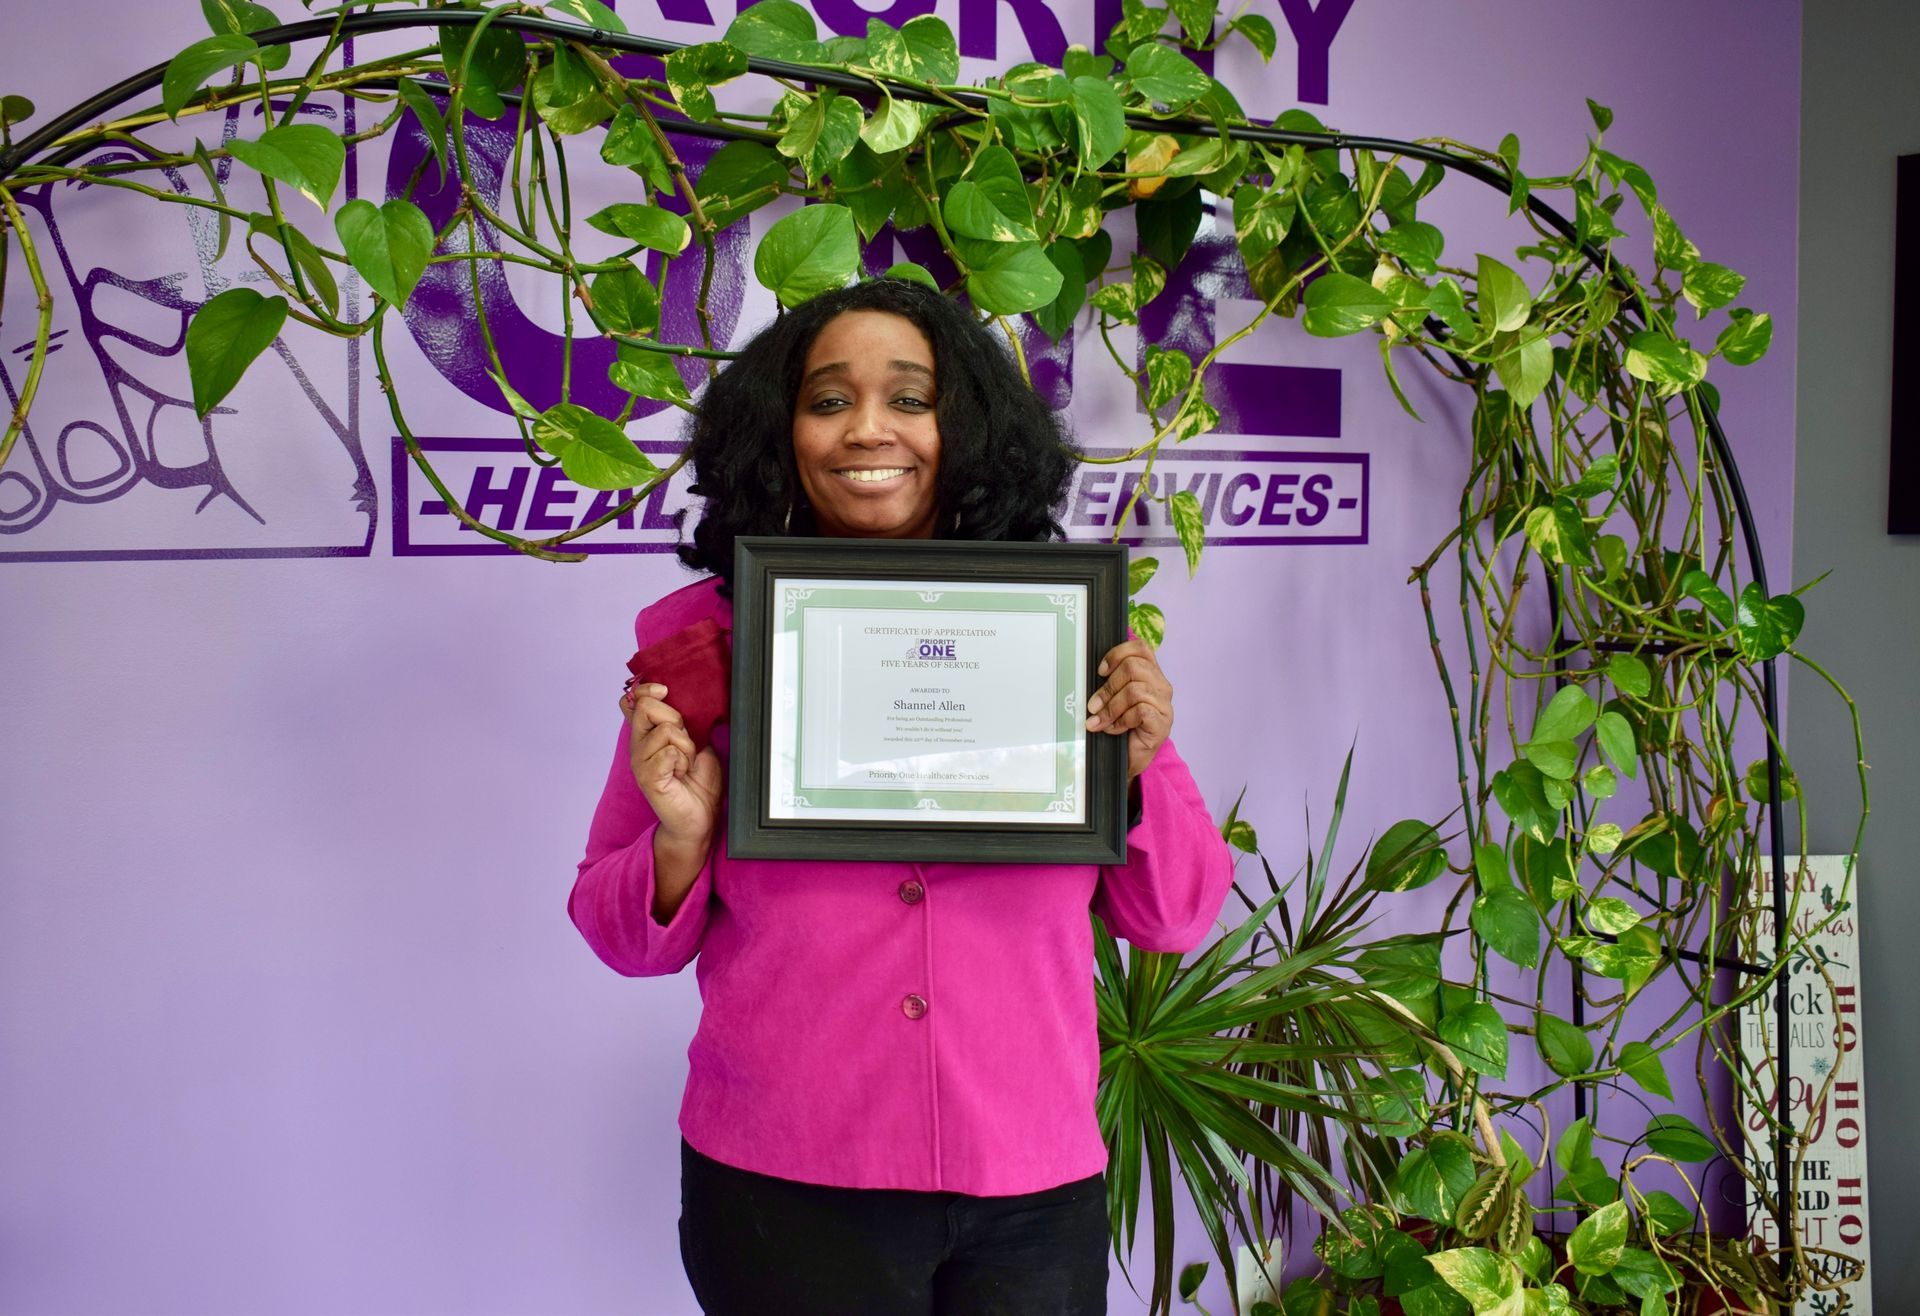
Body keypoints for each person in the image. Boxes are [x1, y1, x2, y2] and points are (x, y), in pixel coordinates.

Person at [568, 277, 1235, 1315]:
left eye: (909, 397)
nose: (867, 427)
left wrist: (1140, 764)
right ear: (780, 433)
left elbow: (1175, 913)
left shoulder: (1064, 629)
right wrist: (681, 839)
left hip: (1029, 1178)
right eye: (829, 399)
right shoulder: (708, 641)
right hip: (786, 1186)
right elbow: (618, 934)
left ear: (964, 423)